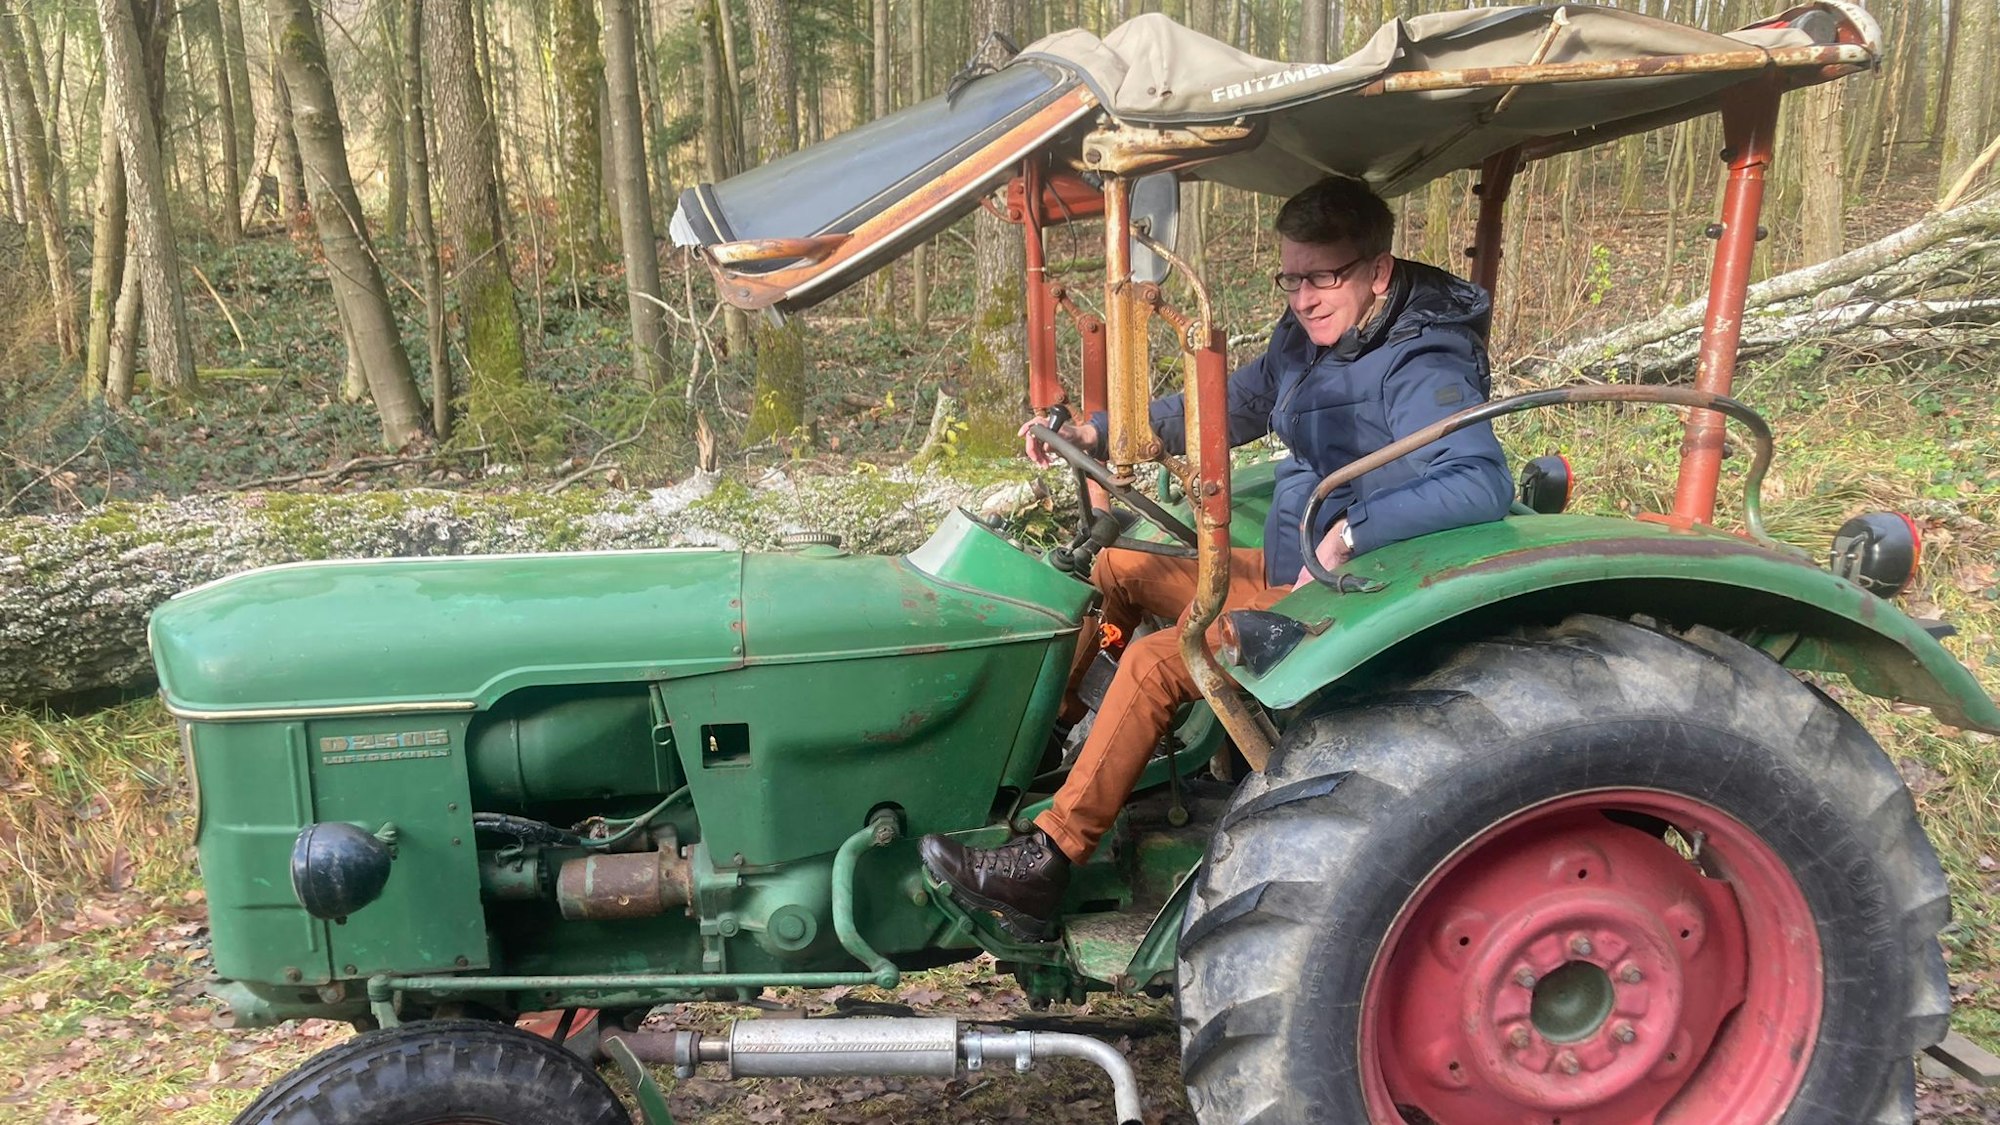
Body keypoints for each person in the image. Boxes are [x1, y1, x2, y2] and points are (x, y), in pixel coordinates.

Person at [919, 175, 1514, 940]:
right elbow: (1228, 405)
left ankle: (1048, 859)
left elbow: (1478, 483)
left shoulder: (1422, 360)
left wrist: (1351, 532)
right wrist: (1103, 432)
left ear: (1378, 270)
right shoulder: (1308, 340)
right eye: (1292, 278)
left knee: (1164, 660)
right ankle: (1044, 749)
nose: (1304, 297)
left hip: (1348, 595)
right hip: (1285, 563)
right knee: (1112, 571)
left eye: (1324, 276)